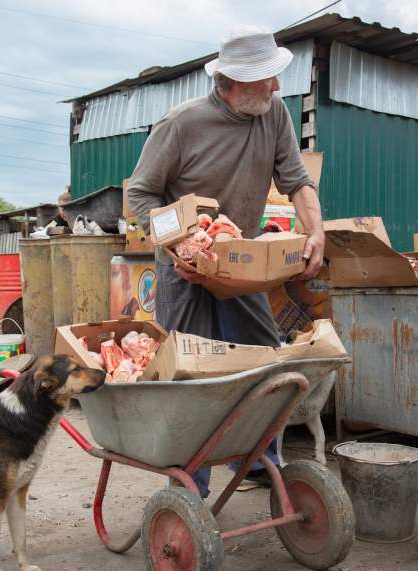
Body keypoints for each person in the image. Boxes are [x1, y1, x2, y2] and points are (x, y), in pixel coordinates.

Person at [127, 25, 325, 497]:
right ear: (234, 81)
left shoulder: (273, 113)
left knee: (261, 360)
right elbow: (139, 195)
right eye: (267, 78)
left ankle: (259, 460)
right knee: (192, 373)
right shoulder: (181, 124)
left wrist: (315, 232)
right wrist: (182, 246)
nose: (277, 86)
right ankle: (190, 484)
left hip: (241, 262)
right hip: (185, 270)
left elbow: (297, 181)